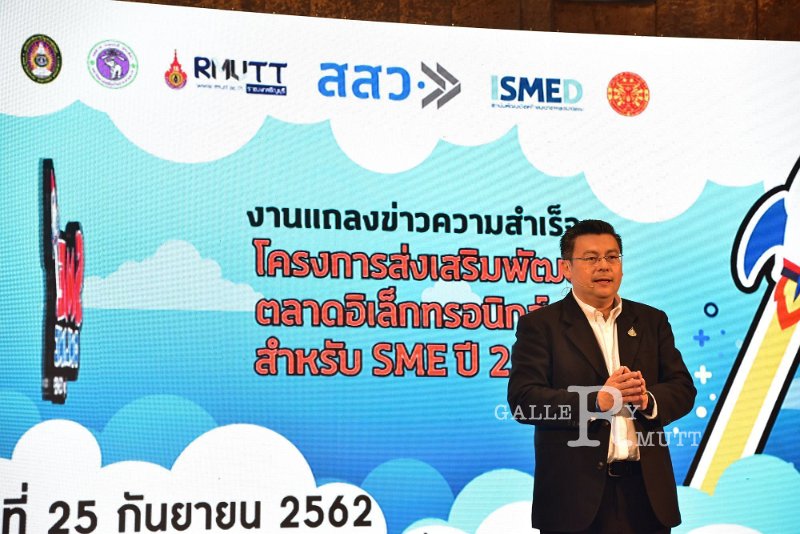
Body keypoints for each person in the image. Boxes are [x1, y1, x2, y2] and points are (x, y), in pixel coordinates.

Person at [507, 219, 696, 534]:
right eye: (591, 258)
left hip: (646, 498)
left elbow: (683, 389)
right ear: (566, 268)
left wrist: (647, 400)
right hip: (574, 501)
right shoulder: (541, 326)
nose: (604, 266)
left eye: (612, 257)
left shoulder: (651, 321)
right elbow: (524, 401)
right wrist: (597, 401)